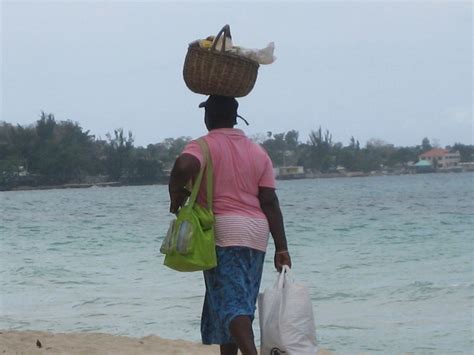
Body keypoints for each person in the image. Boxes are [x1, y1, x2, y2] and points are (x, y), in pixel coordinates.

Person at [168, 95, 291, 355]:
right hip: (257, 234)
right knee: (237, 302)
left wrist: (175, 194)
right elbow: (269, 200)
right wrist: (282, 247)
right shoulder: (258, 151)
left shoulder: (202, 146)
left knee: (233, 307)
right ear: (234, 118)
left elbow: (183, 165)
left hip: (224, 233)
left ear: (208, 116)